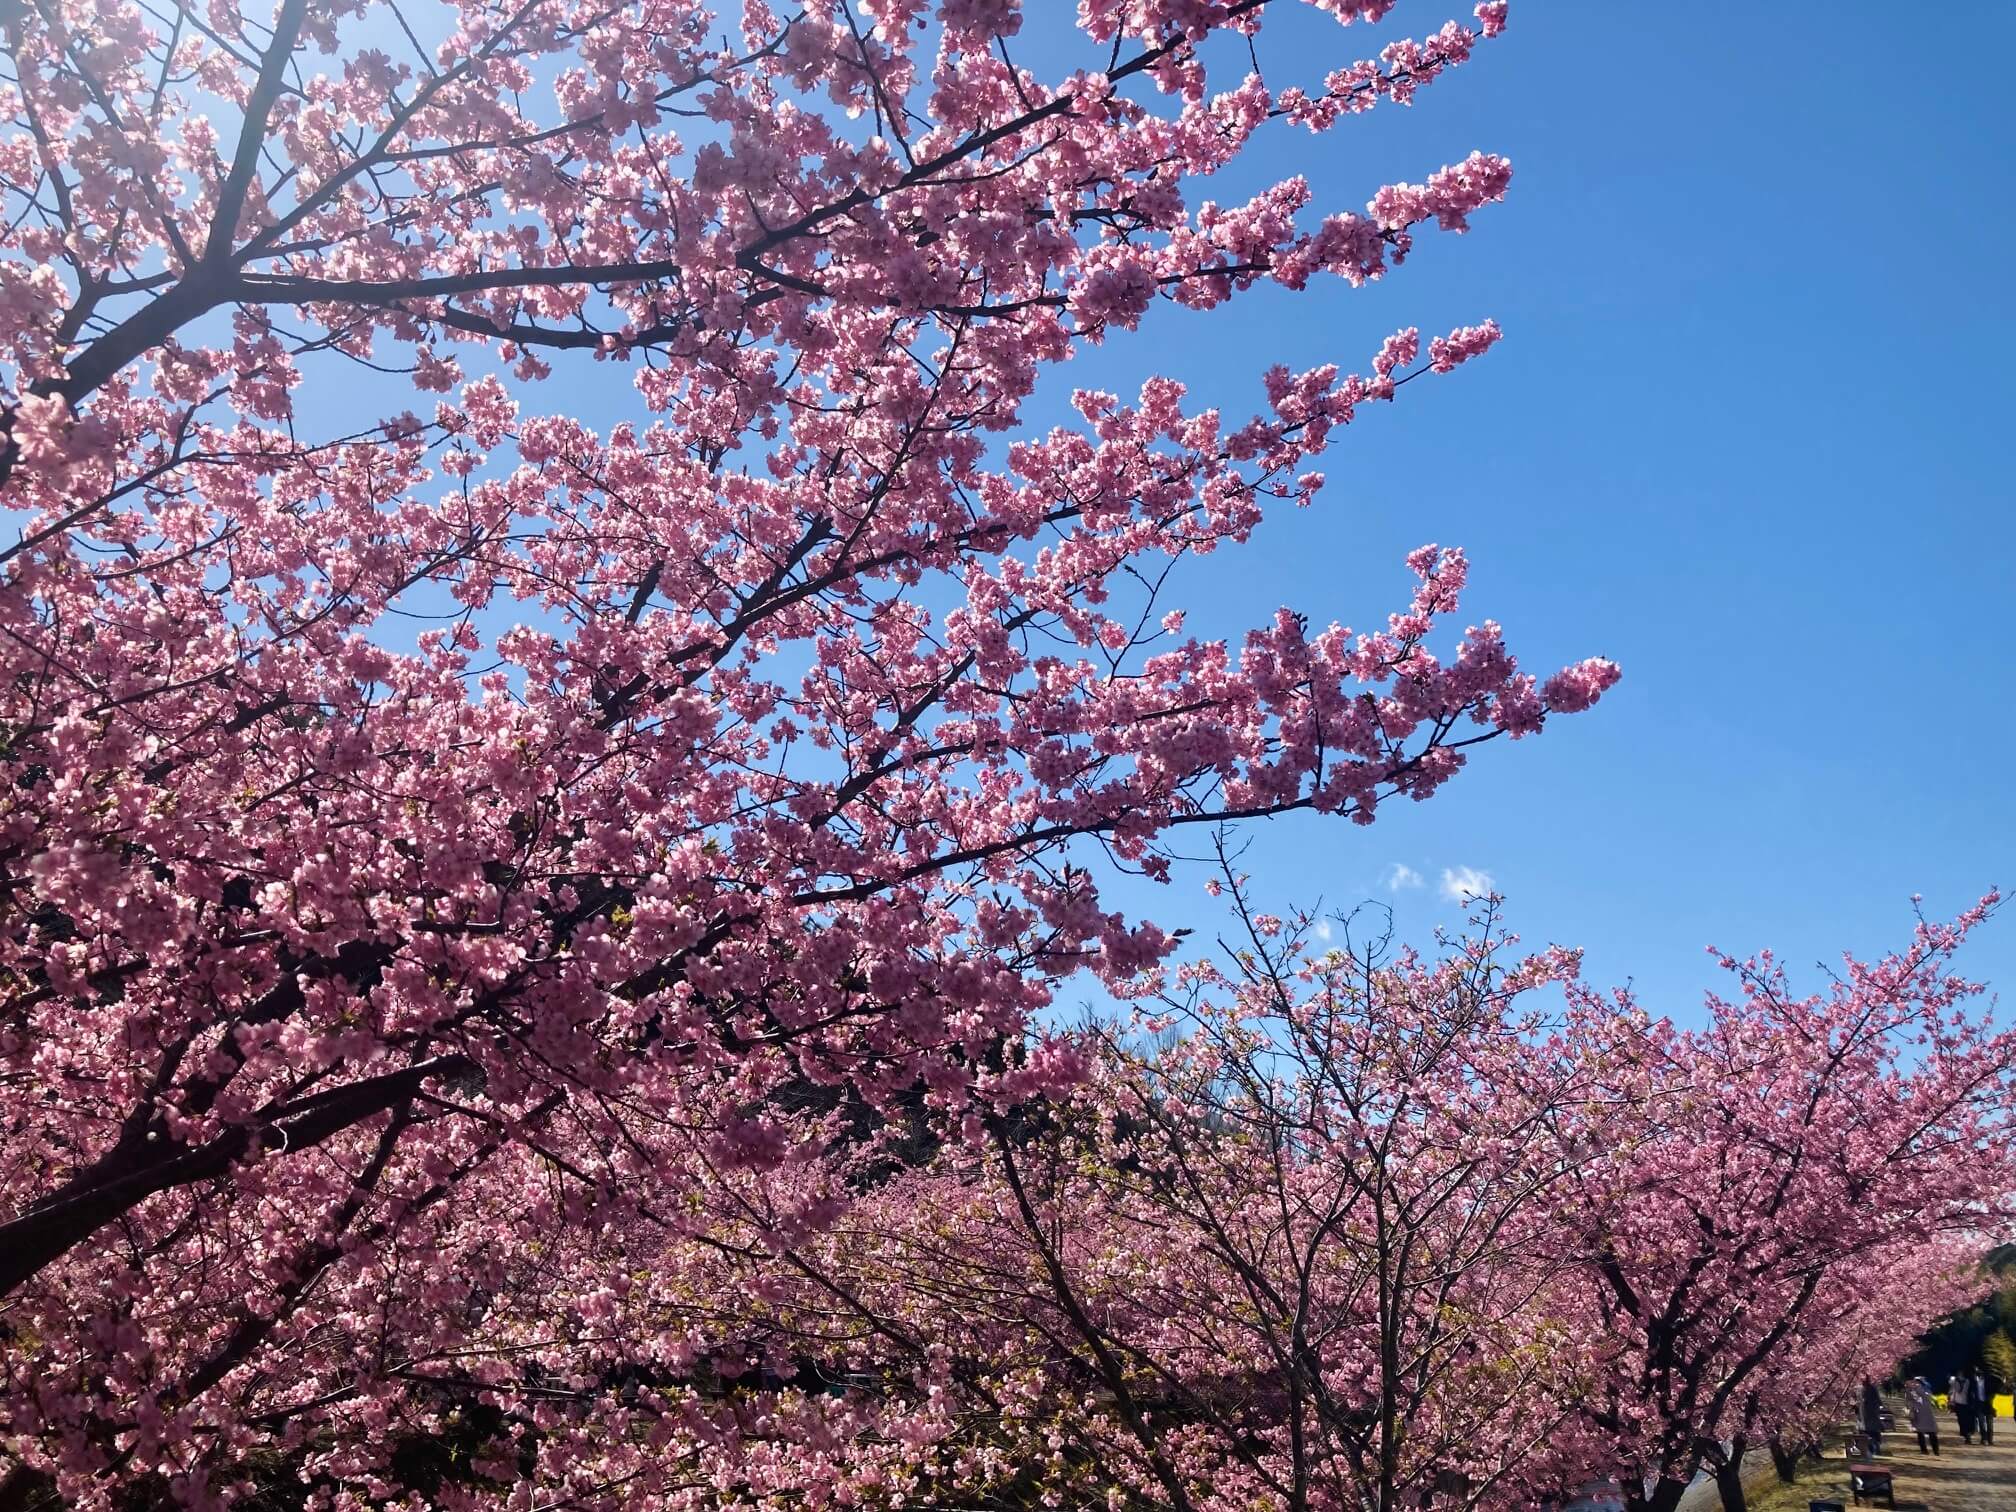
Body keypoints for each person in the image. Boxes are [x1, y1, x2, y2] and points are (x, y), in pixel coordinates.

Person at [1908, 1378, 1942, 1455]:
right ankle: (1934, 1451)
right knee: (1930, 1433)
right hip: (1925, 1413)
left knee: (1923, 1433)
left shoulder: (1915, 1391)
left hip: (1921, 1413)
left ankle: (1926, 1450)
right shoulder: (1926, 1390)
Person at [1861, 1376, 1885, 1455]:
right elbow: (1878, 1399)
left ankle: (1874, 1448)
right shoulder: (1867, 1388)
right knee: (1872, 1431)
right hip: (1868, 1412)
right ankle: (1874, 1448)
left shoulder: (1866, 1389)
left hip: (1869, 1412)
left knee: (1871, 1431)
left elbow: (1877, 1399)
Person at [1952, 1369, 1976, 1443]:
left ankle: (1967, 1435)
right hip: (1959, 1403)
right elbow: (1955, 1391)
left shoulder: (1968, 1381)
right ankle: (1966, 1435)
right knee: (1962, 1420)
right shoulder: (1956, 1381)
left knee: (1966, 1420)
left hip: (1966, 1403)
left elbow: (1971, 1392)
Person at [1975, 1366, 1996, 1445]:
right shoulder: (1976, 1382)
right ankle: (1984, 1439)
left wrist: (1990, 1399)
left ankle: (1990, 1440)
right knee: (1981, 1423)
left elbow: (1993, 1392)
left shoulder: (1990, 1382)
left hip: (1988, 1404)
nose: (1981, 1375)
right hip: (1979, 1404)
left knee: (1989, 1422)